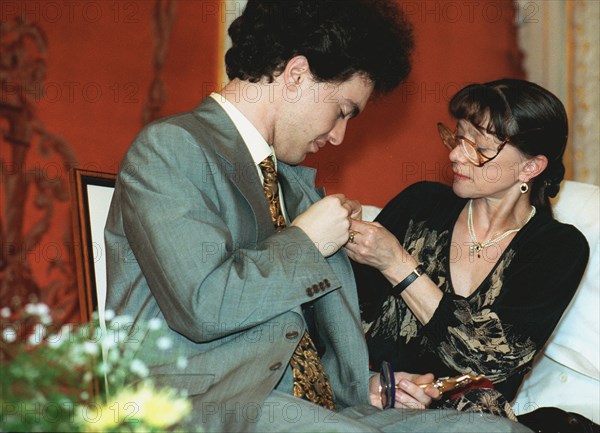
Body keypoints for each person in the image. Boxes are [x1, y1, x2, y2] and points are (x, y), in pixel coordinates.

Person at [105, 1, 532, 431]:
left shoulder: (291, 183)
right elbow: (203, 308)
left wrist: (366, 383)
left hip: (311, 408)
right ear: (295, 76)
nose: (338, 135)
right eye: (343, 111)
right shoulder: (172, 148)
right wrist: (306, 242)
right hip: (203, 404)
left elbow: (298, 333)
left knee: (493, 428)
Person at [347, 79, 589, 421]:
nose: (455, 154)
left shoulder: (557, 248)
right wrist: (370, 382)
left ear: (530, 167)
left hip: (467, 422)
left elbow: (487, 359)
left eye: (478, 146)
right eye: (457, 137)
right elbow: (342, 316)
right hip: (371, 404)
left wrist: (397, 264)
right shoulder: (419, 206)